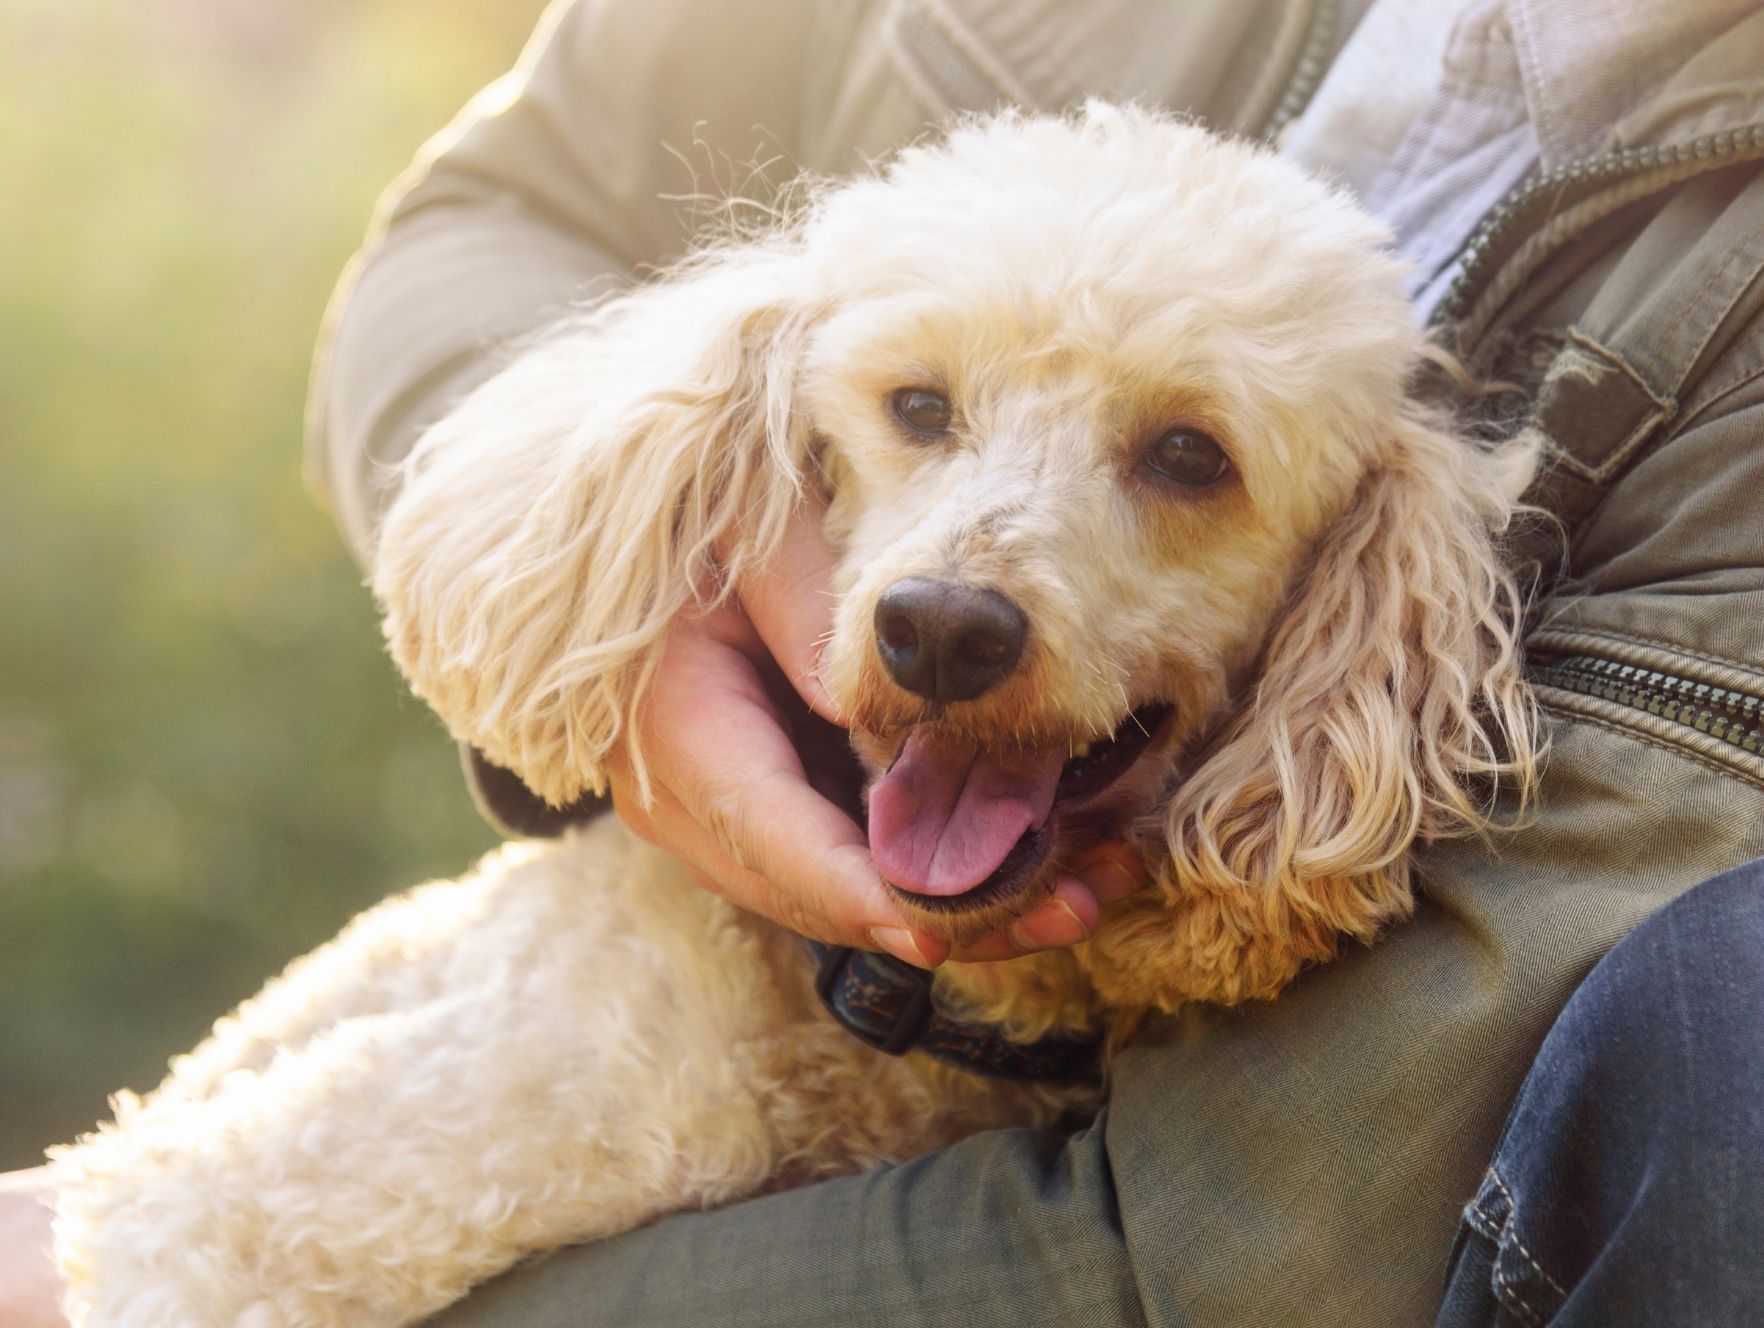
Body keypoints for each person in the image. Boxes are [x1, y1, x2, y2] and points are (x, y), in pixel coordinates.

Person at [5, 0, 1763, 1323]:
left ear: (1342, 575)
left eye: (1181, 462)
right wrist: (652, 617)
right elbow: (507, 200)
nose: (959, 591)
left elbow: (1249, 1242)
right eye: (920, 414)